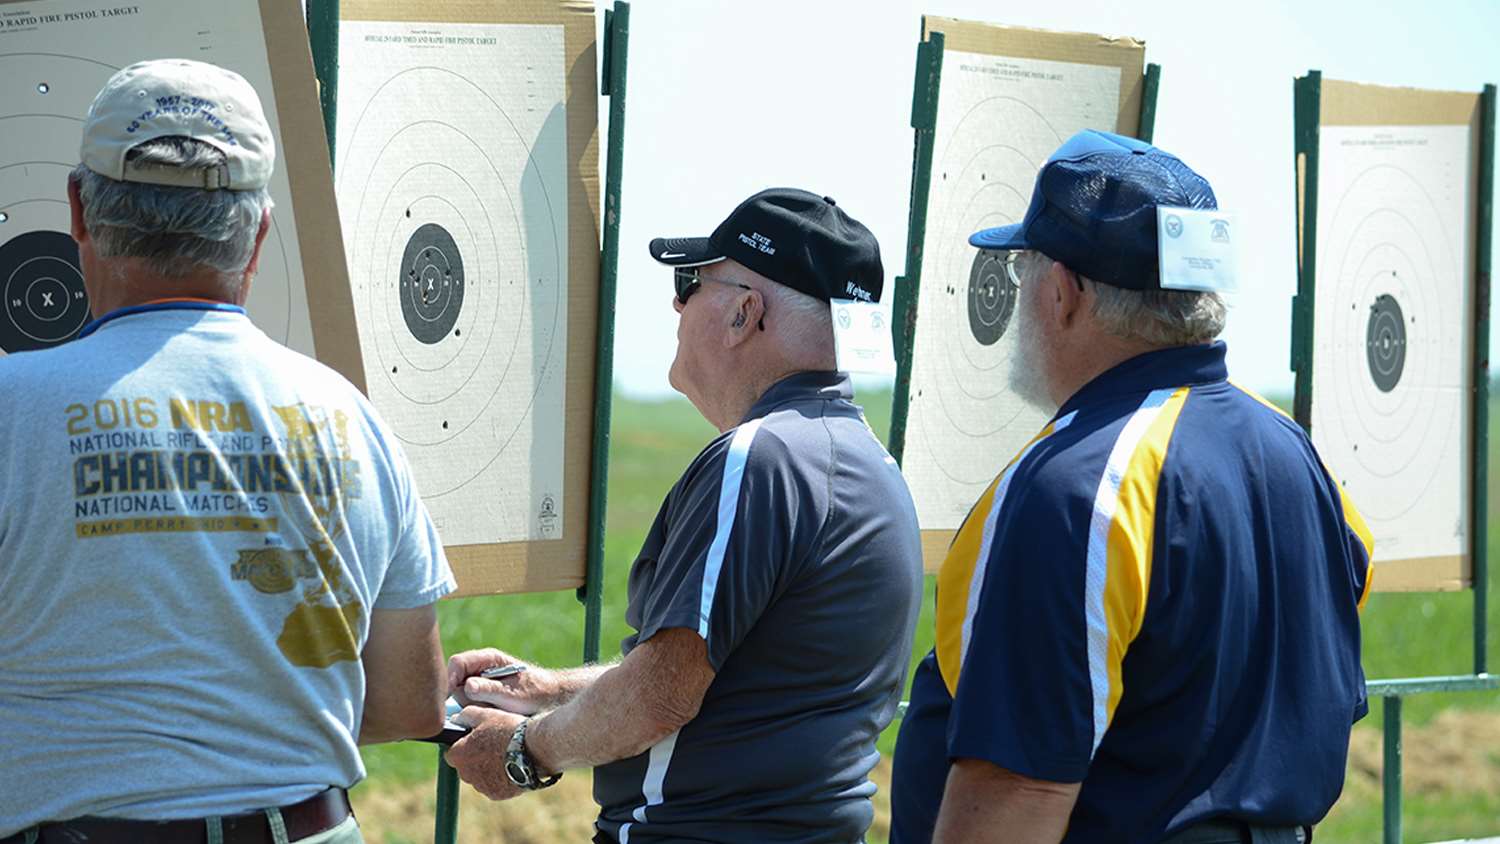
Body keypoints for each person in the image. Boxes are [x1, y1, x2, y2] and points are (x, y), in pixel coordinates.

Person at [0, 59, 454, 843]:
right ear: (260, 230)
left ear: (78, 208)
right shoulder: (351, 416)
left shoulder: (12, 408)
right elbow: (407, 705)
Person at [889, 131, 1374, 844]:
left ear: (1062, 292)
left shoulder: (1076, 483)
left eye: (1027, 272)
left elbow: (1020, 788)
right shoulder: (1295, 451)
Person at [445, 188, 924, 842]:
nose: (677, 302)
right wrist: (549, 689)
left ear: (744, 314)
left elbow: (663, 693)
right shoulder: (871, 463)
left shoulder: (759, 459)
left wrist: (523, 752)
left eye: (691, 282)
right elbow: (719, 674)